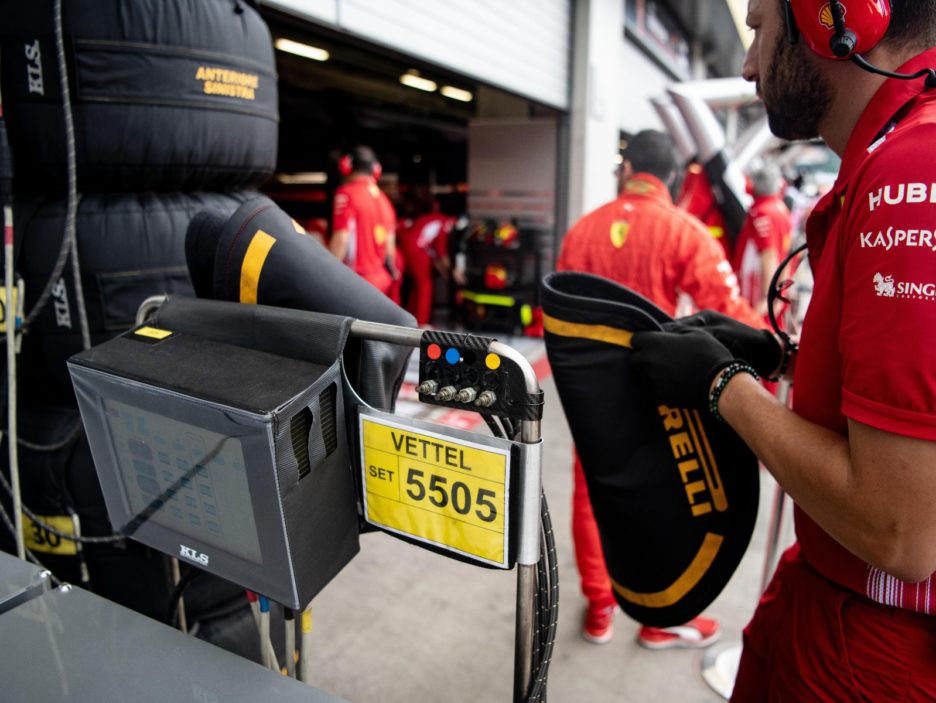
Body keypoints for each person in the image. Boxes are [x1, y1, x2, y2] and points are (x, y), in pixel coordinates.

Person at [628, 1, 936, 699]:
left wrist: (723, 385)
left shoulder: (914, 169)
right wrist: (779, 358)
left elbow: (901, 531)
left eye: (761, 29)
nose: (746, 64)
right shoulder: (902, 154)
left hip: (870, 646)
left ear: (841, 17)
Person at [556, 129, 763, 648]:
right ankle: (658, 618)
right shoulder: (685, 231)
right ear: (671, 178)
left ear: (628, 171)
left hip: (592, 395)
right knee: (667, 499)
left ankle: (600, 607)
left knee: (590, 493)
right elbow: (734, 319)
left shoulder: (581, 230)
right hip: (661, 391)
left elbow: (560, 317)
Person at [329, 145, 399, 297]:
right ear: (376, 170)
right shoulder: (384, 200)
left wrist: (325, 275)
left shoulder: (346, 193)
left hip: (357, 281)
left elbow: (341, 239)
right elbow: (390, 250)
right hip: (381, 281)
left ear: (346, 166)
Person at [732, 163, 792, 317]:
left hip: (754, 291)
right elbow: (786, 254)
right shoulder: (781, 208)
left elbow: (768, 255)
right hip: (772, 287)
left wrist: (766, 298)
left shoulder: (762, 212)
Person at [398, 196, 454, 326]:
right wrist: (450, 270)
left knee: (416, 285)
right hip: (417, 250)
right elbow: (440, 250)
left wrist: (443, 269)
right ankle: (422, 323)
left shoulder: (428, 218)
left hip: (406, 247)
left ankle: (411, 318)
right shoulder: (444, 221)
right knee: (425, 286)